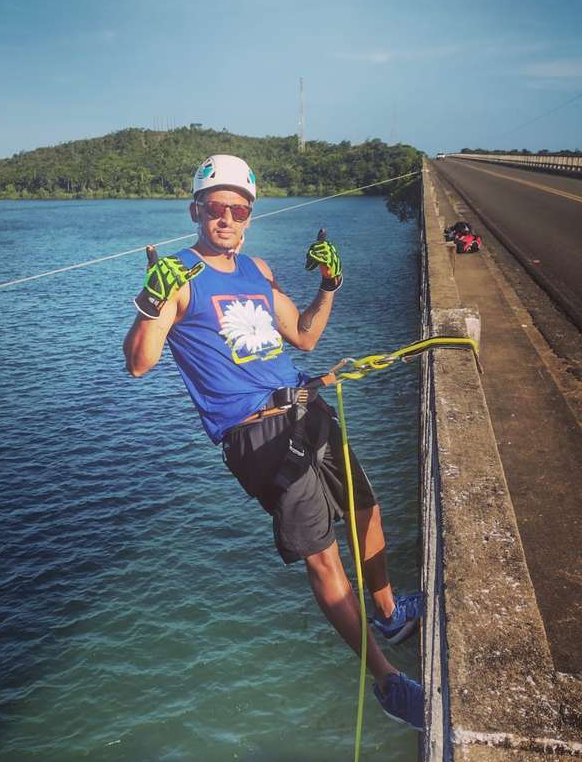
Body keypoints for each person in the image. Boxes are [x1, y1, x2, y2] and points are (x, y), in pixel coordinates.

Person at [122, 154, 424, 730]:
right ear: (196, 211)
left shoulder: (258, 270)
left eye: (238, 209)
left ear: (250, 216)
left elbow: (305, 337)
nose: (227, 218)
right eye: (216, 208)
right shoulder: (178, 279)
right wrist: (148, 303)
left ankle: (389, 612)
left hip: (305, 406)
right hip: (256, 437)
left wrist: (330, 285)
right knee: (324, 558)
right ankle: (387, 680)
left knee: (366, 507)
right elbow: (140, 364)